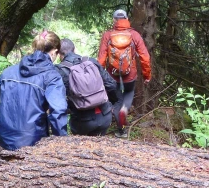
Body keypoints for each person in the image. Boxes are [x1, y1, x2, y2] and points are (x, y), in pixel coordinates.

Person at [0, 30, 68, 150]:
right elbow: (58, 110)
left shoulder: (9, 71)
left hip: (4, 138)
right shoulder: (52, 77)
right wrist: (62, 143)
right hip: (34, 140)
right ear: (54, 52)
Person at [98, 9, 152, 138]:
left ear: (114, 20)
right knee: (129, 93)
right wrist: (147, 76)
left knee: (117, 100)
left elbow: (101, 58)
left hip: (112, 75)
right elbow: (145, 57)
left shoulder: (108, 35)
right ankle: (124, 110)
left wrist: (100, 76)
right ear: (127, 19)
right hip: (130, 74)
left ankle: (120, 128)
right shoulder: (134, 35)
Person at [56, 39, 121, 136]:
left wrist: (69, 109)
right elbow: (111, 85)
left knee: (84, 147)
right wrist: (112, 105)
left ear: (58, 54)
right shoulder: (91, 61)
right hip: (104, 116)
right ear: (75, 49)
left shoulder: (60, 70)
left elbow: (58, 101)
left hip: (81, 121)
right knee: (99, 144)